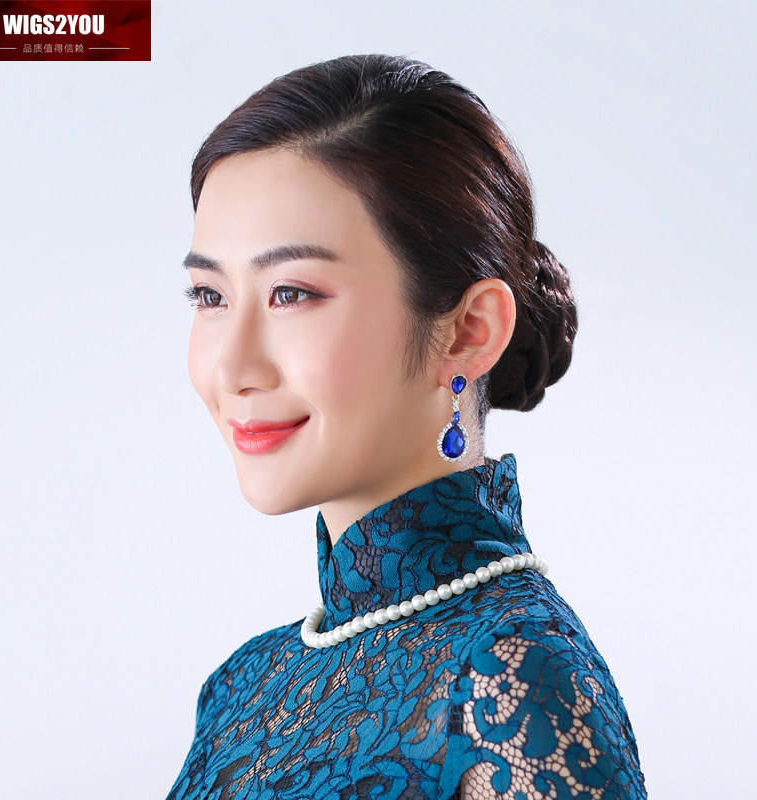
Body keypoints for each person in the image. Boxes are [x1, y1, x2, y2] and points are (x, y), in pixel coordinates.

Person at [167, 53, 647, 800]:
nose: (231, 366)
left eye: (291, 293)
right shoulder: (242, 686)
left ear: (468, 331)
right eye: (209, 296)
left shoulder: (511, 674)